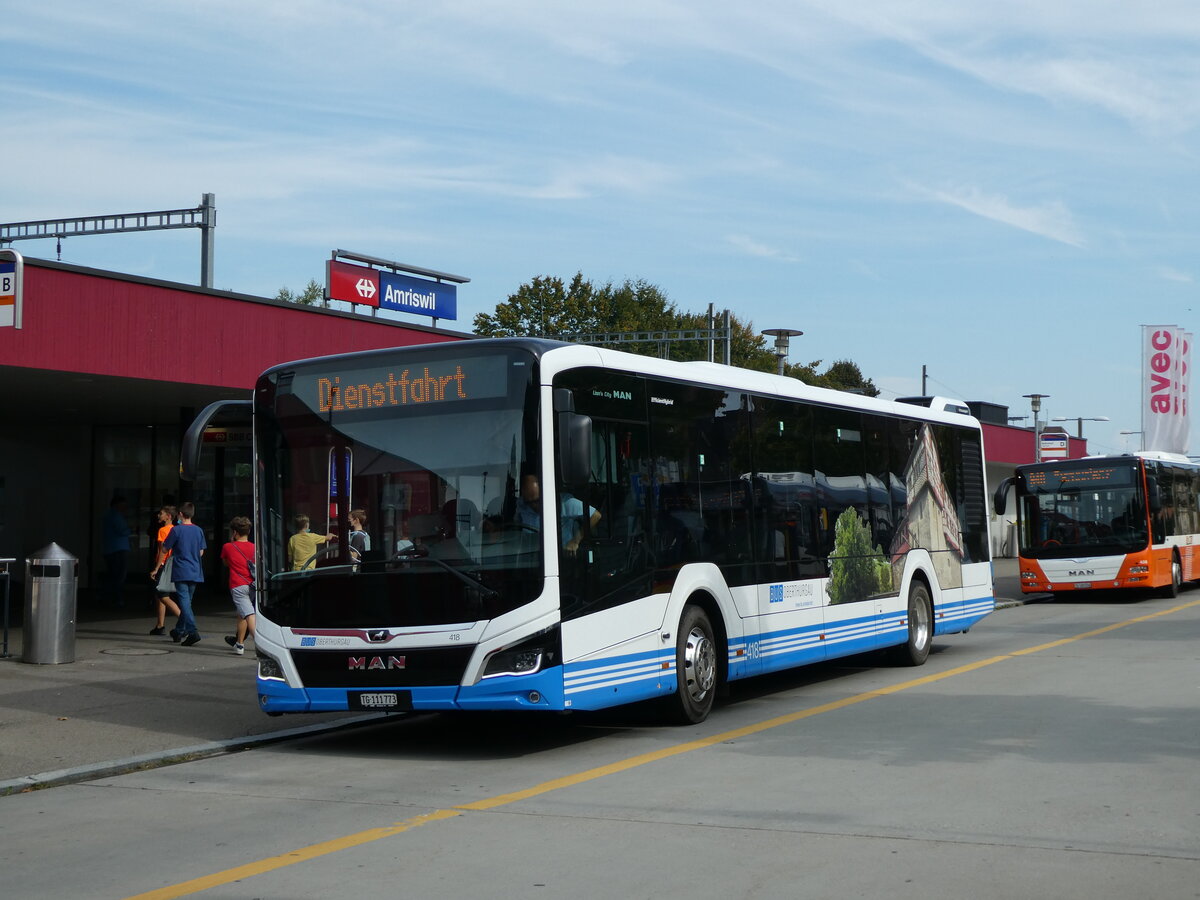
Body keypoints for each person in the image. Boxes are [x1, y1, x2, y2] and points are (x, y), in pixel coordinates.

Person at [152, 501, 205, 646]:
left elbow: (164, 549)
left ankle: (193, 631)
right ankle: (179, 630)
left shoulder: (176, 530)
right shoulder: (199, 530)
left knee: (185, 602)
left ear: (180, 514)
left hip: (181, 569)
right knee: (188, 602)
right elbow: (201, 552)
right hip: (195, 570)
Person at [515, 473, 600, 554]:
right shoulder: (522, 504)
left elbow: (595, 515)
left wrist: (575, 541)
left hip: (560, 555)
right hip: (529, 555)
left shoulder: (564, 502)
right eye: (529, 502)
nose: (533, 506)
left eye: (537, 500)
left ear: (544, 491)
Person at [219, 516, 256, 655]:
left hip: (238, 585)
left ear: (234, 532)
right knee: (242, 613)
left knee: (249, 614)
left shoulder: (228, 547)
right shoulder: (254, 547)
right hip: (252, 585)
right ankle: (239, 644)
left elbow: (225, 563)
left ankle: (260, 645)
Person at [148, 505, 181, 635]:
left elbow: (162, 550)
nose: (158, 515)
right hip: (174, 564)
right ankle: (160, 624)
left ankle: (183, 619)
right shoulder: (176, 529)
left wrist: (157, 567)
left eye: (161, 513)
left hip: (164, 564)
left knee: (162, 594)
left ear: (168, 516)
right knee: (161, 594)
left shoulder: (163, 530)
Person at [102, 496, 131, 607]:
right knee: (119, 575)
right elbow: (122, 531)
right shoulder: (116, 516)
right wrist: (131, 529)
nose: (125, 508)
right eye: (122, 506)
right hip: (118, 549)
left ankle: (108, 596)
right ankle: (117, 598)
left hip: (109, 548)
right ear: (116, 505)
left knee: (112, 574)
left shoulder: (107, 515)